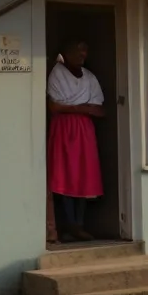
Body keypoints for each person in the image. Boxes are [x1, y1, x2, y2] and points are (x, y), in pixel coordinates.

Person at [46, 39, 105, 243]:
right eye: (77, 49)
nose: (82, 54)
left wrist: (71, 107)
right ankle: (69, 224)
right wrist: (83, 108)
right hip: (63, 129)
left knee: (84, 175)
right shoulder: (57, 74)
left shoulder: (89, 78)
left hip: (84, 131)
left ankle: (78, 225)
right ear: (67, 51)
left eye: (85, 49)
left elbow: (99, 109)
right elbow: (54, 107)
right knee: (65, 174)